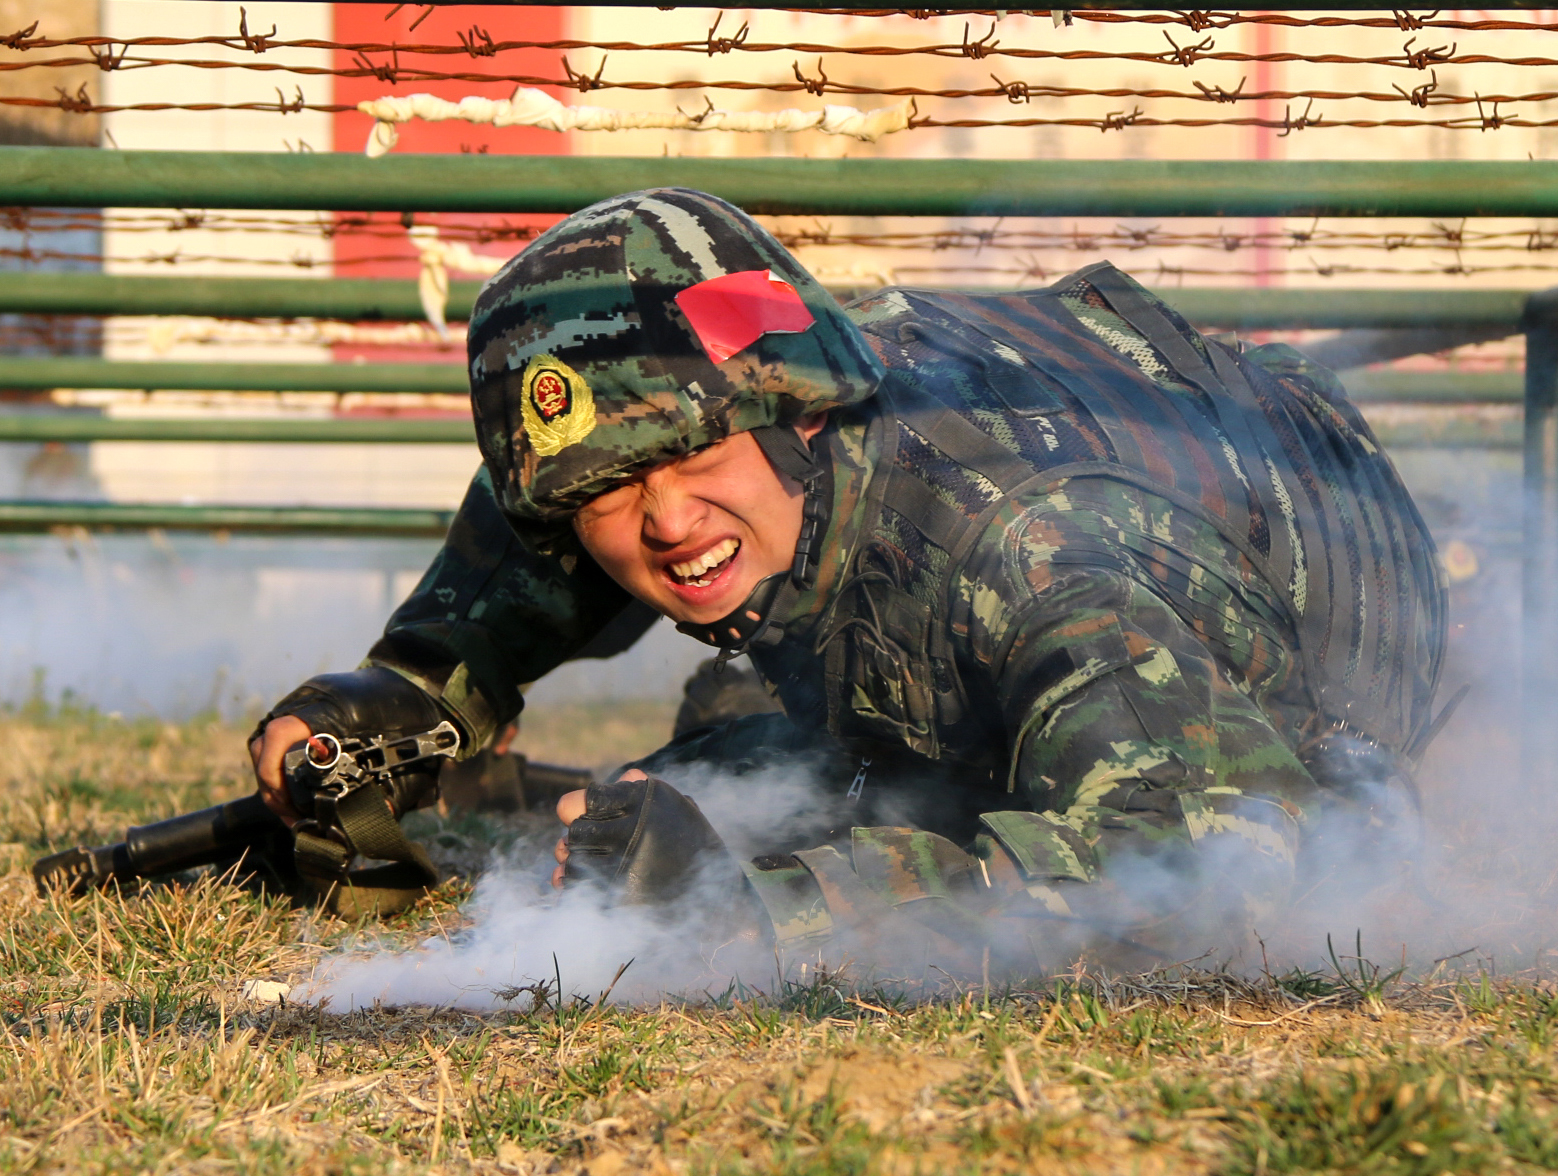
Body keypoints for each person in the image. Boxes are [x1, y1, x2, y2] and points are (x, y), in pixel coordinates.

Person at [251, 188, 1447, 977]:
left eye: (695, 455)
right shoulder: (754, 370)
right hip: (974, 604)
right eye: (614, 494)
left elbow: (1204, 864)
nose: (666, 521)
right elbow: (574, 476)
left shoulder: (1033, 551)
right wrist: (419, 685)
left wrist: (753, 915)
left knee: (827, 788)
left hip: (1306, 617)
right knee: (749, 758)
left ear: (799, 422)